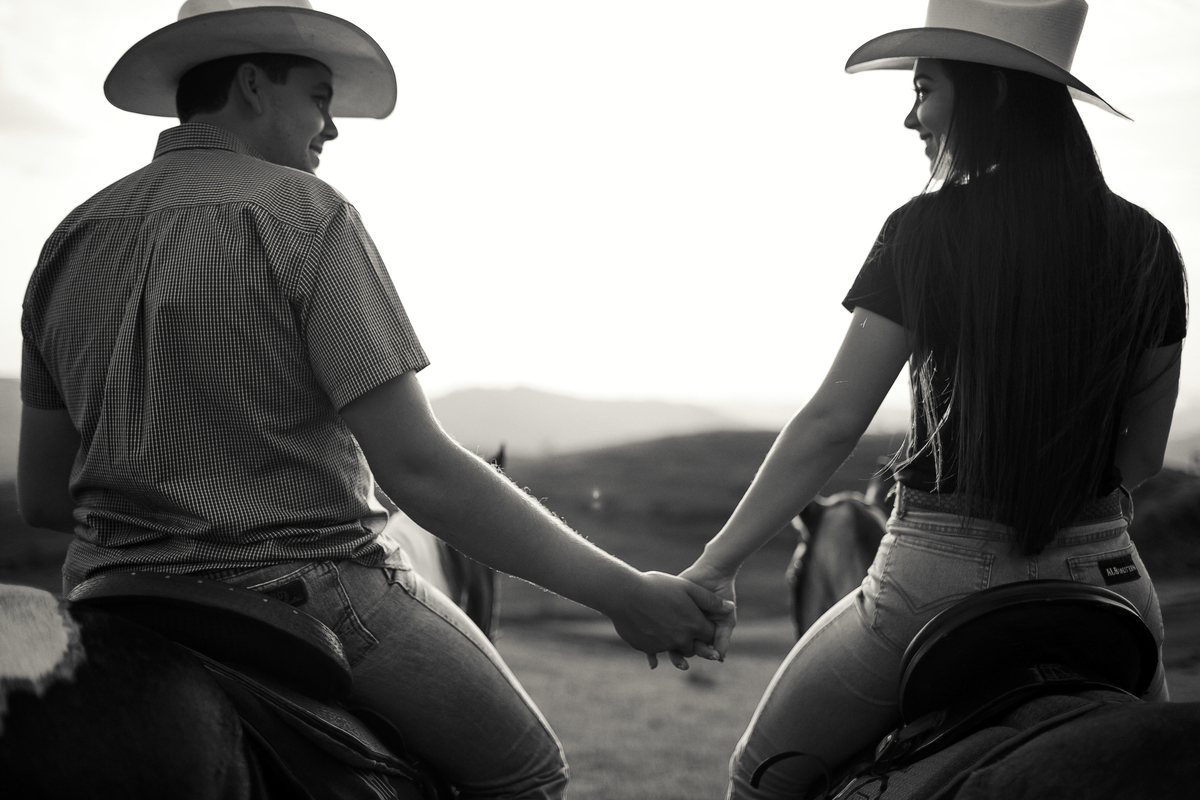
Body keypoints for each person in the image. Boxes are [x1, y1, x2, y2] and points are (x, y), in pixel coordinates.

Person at [17, 1, 730, 796]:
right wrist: (624, 593)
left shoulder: (71, 236)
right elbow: (417, 470)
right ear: (253, 85)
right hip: (303, 586)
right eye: (319, 96)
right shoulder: (307, 215)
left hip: (109, 596)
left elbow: (46, 496)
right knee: (529, 773)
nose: (332, 127)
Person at [678, 1, 1188, 797]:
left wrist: (715, 566)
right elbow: (1142, 458)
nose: (910, 117)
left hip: (935, 577)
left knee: (758, 778)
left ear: (985, 96)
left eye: (924, 89)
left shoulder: (921, 233)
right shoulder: (1151, 245)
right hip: (1107, 575)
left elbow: (830, 424)